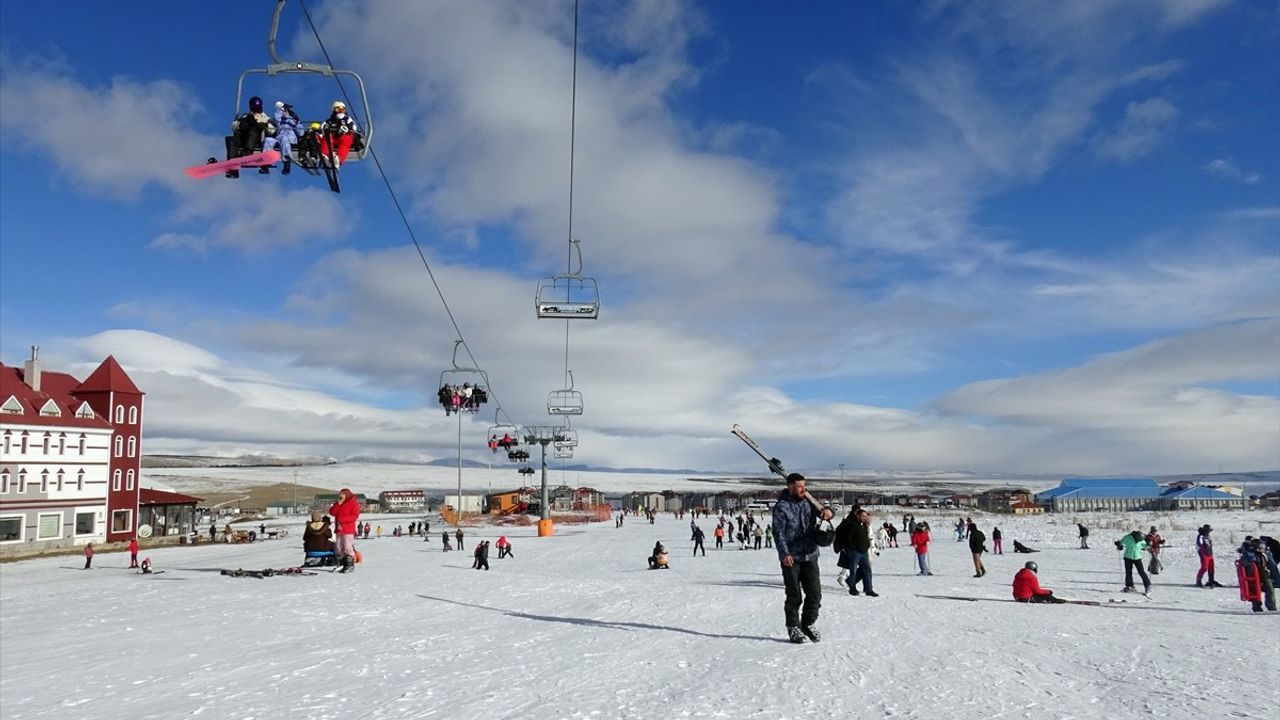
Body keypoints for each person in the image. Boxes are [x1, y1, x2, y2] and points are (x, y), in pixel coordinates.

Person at [772, 473, 835, 643]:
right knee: (794, 595)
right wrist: (784, 554)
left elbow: (825, 511)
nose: (803, 489)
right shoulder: (782, 507)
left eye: (804, 485)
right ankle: (793, 627)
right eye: (799, 486)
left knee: (815, 594)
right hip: (791, 557)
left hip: (810, 554)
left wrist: (829, 511)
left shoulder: (808, 501)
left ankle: (808, 623)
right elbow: (778, 533)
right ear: (790, 487)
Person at [227, 96, 276, 177]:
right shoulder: (246, 116)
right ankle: (233, 165)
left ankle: (248, 152)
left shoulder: (265, 118)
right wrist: (241, 123)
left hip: (257, 140)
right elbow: (234, 126)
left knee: (253, 129)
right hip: (244, 138)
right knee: (231, 139)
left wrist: (264, 125)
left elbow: (272, 130)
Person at [838, 508, 877, 597]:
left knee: (868, 570)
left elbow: (867, 536)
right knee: (853, 571)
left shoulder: (864, 525)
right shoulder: (852, 525)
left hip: (864, 552)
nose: (864, 517)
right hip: (855, 552)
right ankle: (852, 588)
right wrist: (852, 548)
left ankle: (869, 589)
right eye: (862, 516)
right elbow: (848, 538)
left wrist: (867, 546)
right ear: (858, 516)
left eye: (865, 516)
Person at [1236, 538, 1275, 612]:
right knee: (1254, 590)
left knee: (1270, 590)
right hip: (1253, 575)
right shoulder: (1249, 554)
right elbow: (1245, 563)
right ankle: (1257, 607)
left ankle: (1271, 607)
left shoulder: (1264, 554)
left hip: (1264, 574)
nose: (1261, 548)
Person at [328, 488, 361, 573]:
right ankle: (342, 563)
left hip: (348, 529)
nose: (341, 496)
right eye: (340, 494)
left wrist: (342, 519)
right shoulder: (339, 503)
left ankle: (350, 565)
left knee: (347, 547)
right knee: (338, 547)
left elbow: (355, 516)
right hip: (339, 529)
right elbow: (332, 512)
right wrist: (338, 504)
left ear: (347, 495)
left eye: (342, 494)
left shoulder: (353, 503)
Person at [262, 101, 300, 175]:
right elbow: (277, 120)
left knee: (284, 138)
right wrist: (281, 109)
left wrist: (296, 122)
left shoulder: (293, 120)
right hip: (279, 138)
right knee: (268, 140)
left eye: (285, 111)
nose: (284, 112)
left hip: (290, 139)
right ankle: (265, 163)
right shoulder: (280, 121)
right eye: (283, 111)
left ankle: (287, 163)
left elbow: (300, 132)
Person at [319, 100, 360, 169]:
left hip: (343, 137)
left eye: (342, 109)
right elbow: (323, 127)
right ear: (334, 110)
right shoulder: (329, 121)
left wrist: (347, 129)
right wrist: (327, 129)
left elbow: (353, 127)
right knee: (327, 137)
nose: (341, 111)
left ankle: (338, 160)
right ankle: (325, 155)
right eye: (338, 109)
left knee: (347, 140)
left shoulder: (347, 119)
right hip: (333, 138)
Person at [1117, 530, 1151, 594]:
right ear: (1136, 537)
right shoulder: (1127, 538)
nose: (1139, 541)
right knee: (1128, 572)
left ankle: (1148, 586)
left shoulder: (1141, 540)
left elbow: (1145, 546)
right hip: (1128, 557)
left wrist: (1149, 545)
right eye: (1138, 540)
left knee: (1141, 572)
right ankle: (1130, 586)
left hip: (1137, 558)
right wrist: (1119, 545)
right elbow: (1121, 543)